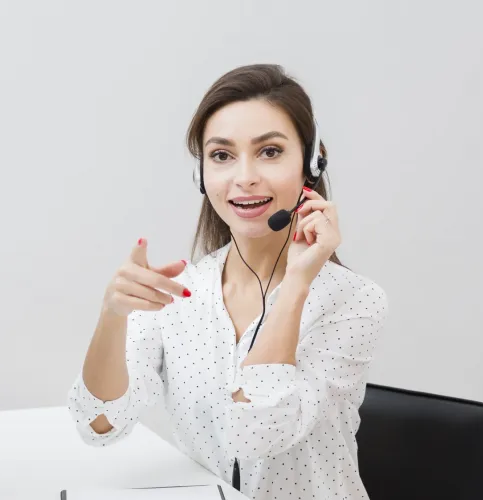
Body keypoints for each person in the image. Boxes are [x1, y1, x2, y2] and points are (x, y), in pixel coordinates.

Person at [67, 64, 389, 500]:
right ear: (202, 174)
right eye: (222, 155)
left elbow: (258, 434)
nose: (244, 177)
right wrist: (112, 316)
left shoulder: (354, 302)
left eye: (270, 152)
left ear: (311, 163)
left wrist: (295, 284)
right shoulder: (179, 293)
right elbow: (98, 426)